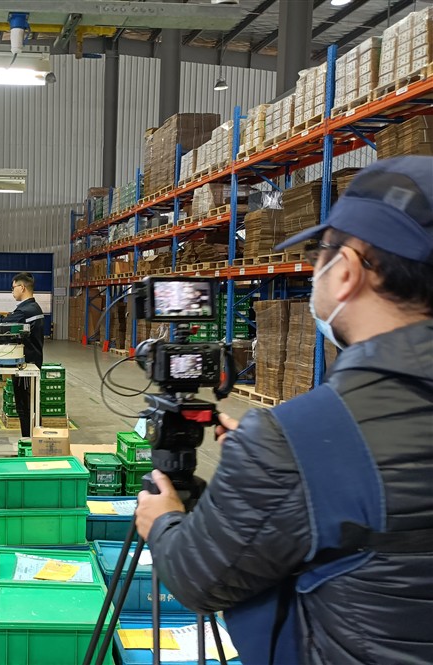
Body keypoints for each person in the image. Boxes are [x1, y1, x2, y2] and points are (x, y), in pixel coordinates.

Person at [135, 156, 433, 664]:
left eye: (322, 253)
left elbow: (198, 580)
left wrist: (163, 522)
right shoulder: (294, 442)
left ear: (346, 271)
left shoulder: (298, 437)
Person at [0, 272, 44, 438]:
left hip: (27, 364)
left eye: (13, 287)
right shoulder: (30, 308)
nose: (12, 291)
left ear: (22, 287)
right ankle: (31, 441)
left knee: (26, 406)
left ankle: (30, 443)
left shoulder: (27, 309)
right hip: (30, 360)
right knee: (29, 405)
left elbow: (6, 326)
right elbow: (11, 320)